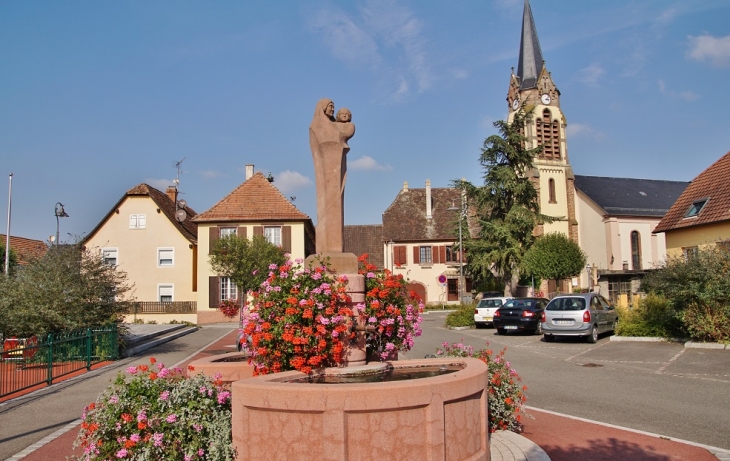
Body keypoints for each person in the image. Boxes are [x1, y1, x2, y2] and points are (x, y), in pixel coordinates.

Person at [309, 99, 355, 253]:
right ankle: (326, 248)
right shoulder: (315, 127)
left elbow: (347, 132)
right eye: (330, 107)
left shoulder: (341, 126)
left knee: (334, 201)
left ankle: (334, 248)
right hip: (325, 169)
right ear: (322, 108)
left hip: (336, 165)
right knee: (326, 202)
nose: (333, 111)